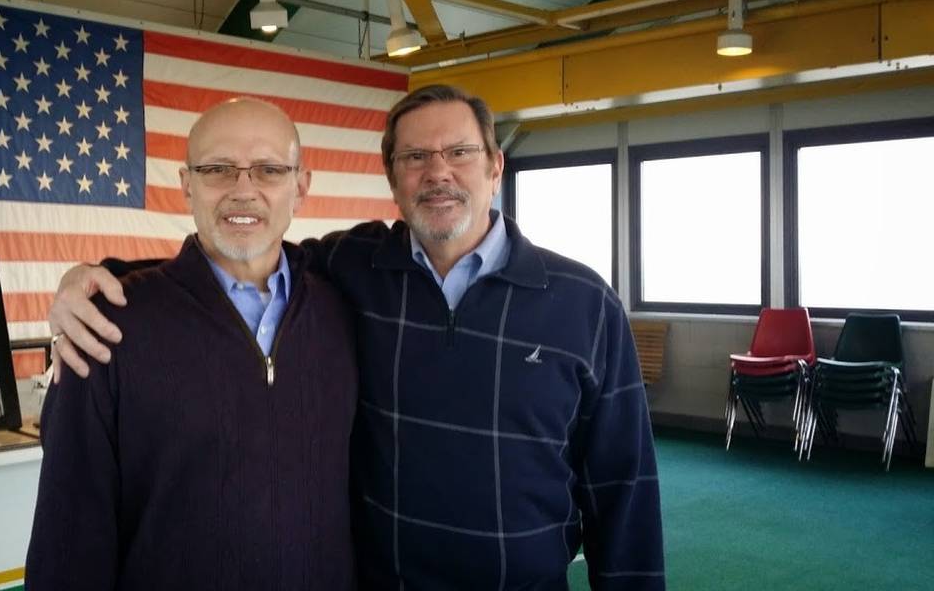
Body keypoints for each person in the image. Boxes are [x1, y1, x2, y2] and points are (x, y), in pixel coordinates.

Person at [48, 85, 665, 590]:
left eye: (459, 153)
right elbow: (241, 255)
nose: (438, 173)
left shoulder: (583, 303)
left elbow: (623, 485)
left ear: (495, 166)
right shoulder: (355, 270)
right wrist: (98, 279)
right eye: (415, 158)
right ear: (392, 179)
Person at [27, 98, 358, 590]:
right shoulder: (104, 327)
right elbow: (69, 535)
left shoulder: (342, 314)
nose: (243, 191)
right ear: (187, 185)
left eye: (268, 170)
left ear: (300, 187)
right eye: (218, 169)